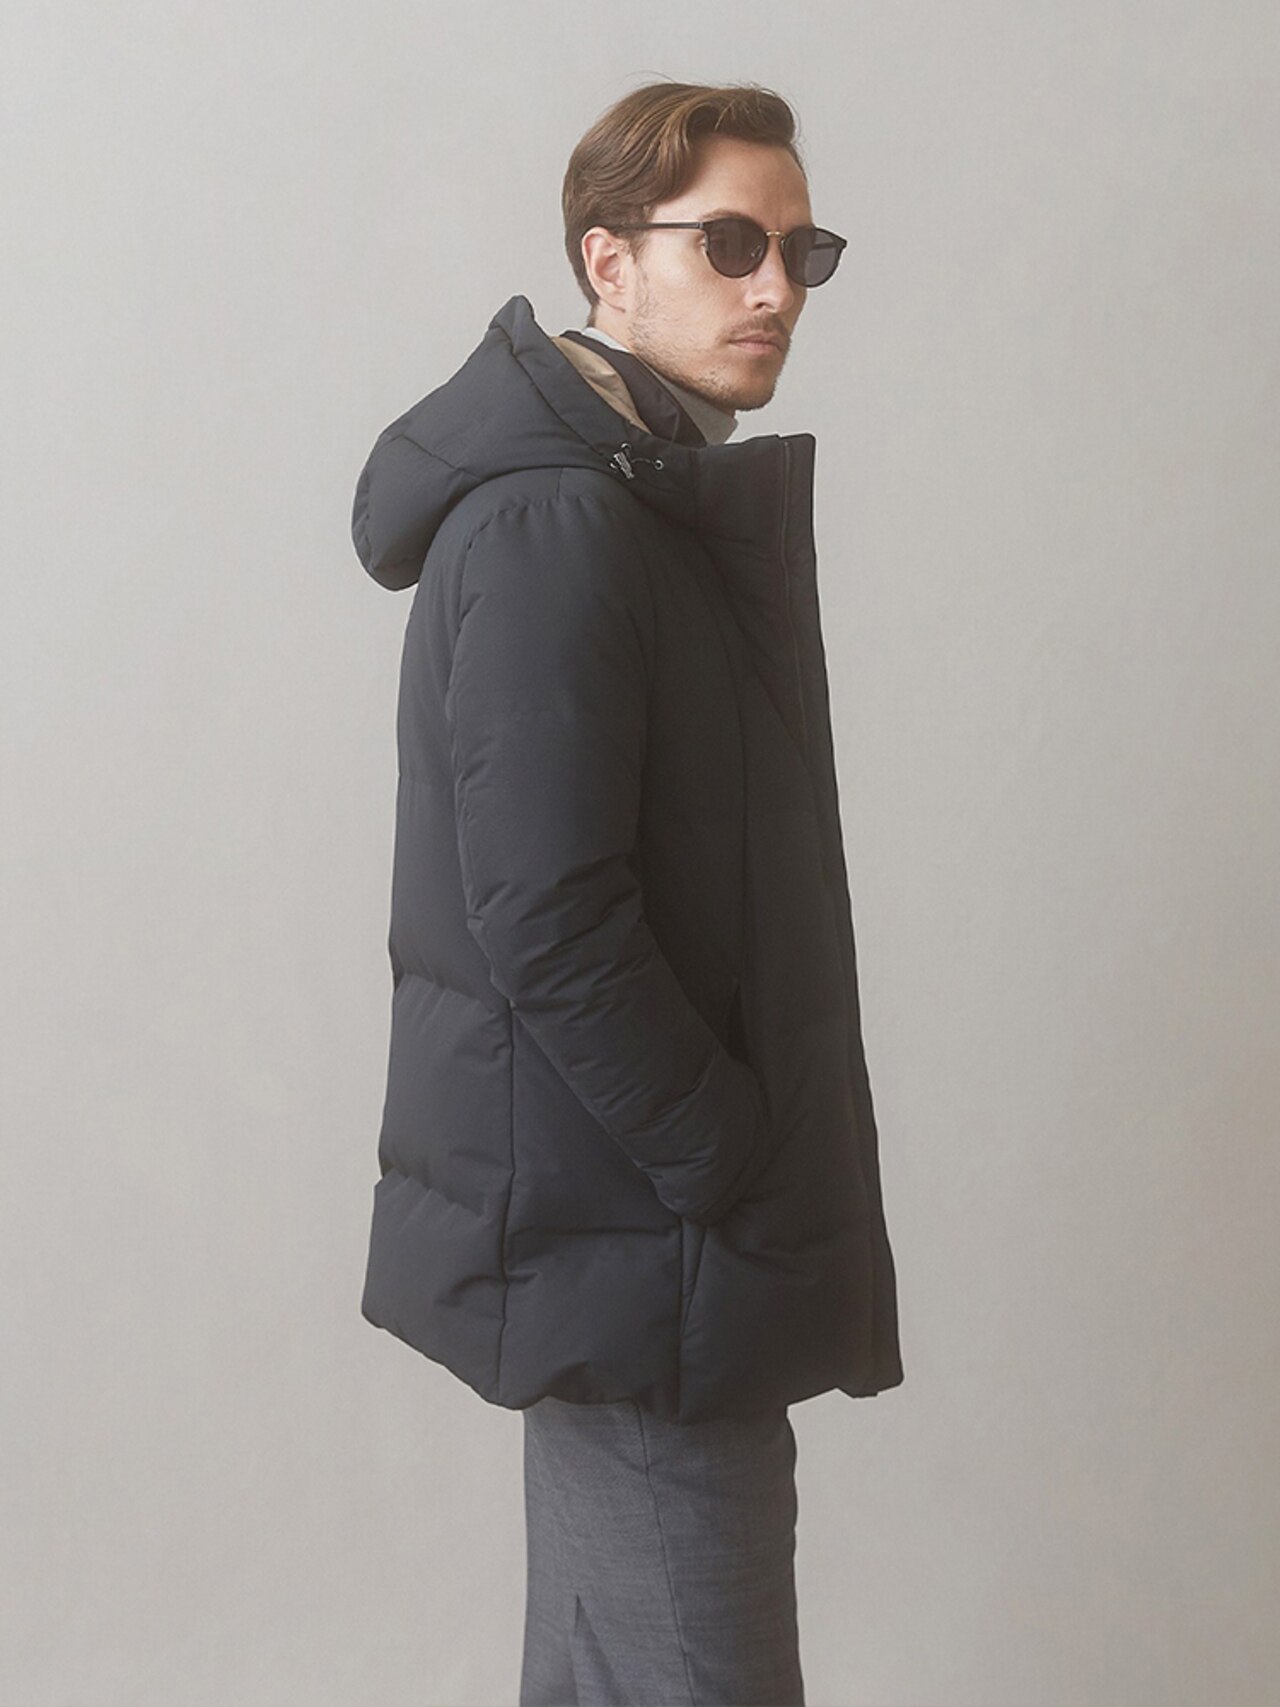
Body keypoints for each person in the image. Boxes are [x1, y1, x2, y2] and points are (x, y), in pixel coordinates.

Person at [350, 78, 904, 1707]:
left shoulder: (634, 499)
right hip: (648, 1241)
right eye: (729, 242)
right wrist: (718, 1153)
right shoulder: (560, 520)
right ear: (608, 261)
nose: (773, 285)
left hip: (639, 1237)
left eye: (800, 250)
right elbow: (547, 913)